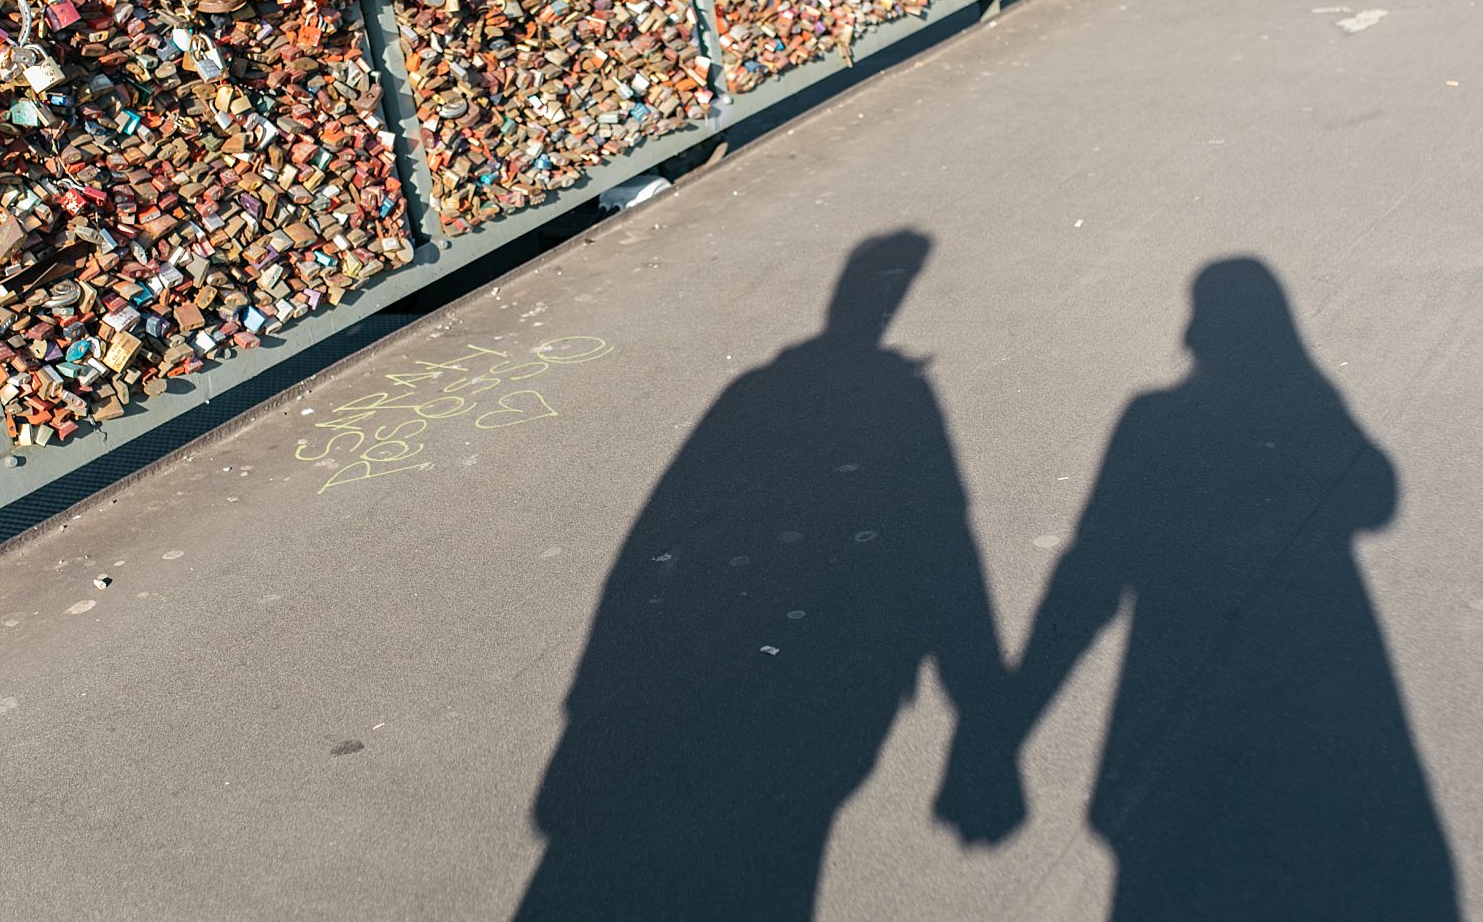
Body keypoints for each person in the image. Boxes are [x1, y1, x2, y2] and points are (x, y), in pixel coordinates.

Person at [518, 231, 1021, 922]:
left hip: (734, 687)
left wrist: (594, 697)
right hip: (814, 700)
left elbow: (655, 539)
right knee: (766, 861)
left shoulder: (759, 390)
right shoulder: (896, 394)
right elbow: (947, 541)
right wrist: (981, 716)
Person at [945, 259, 1457, 920]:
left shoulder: (1151, 419)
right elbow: (1377, 495)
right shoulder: (1304, 398)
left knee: (1180, 866)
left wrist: (1006, 727)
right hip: (1323, 685)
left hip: (1176, 678)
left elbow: (1089, 579)